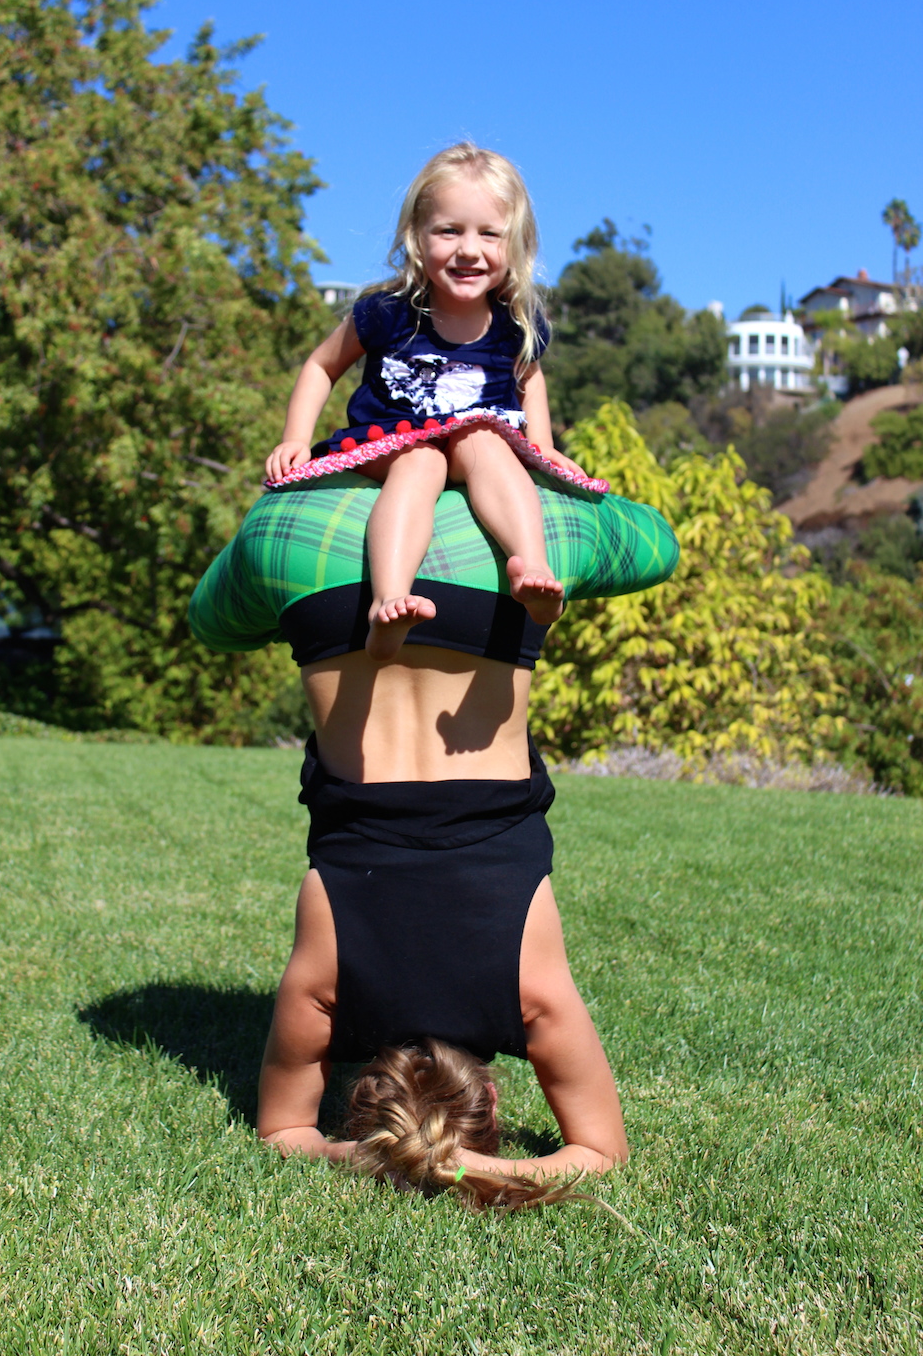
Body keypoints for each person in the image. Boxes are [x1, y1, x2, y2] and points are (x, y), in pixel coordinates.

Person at [190, 429, 679, 1209]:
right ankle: (440, 471)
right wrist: (394, 1156)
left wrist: (473, 1168)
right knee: (641, 540)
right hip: (313, 551)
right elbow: (287, 1133)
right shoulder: (327, 976)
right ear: (365, 1088)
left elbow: (600, 1152)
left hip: (495, 572)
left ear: (490, 1097)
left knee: (619, 541)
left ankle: (446, 469)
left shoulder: (528, 990)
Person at [264, 142, 596, 663]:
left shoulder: (515, 324)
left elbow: (530, 377)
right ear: (416, 237)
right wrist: (295, 437)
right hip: (392, 440)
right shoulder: (388, 312)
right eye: (449, 231)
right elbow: (320, 366)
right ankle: (389, 601)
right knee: (423, 460)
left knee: (482, 439)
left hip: (474, 440)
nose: (470, 250)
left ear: (517, 245)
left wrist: (544, 444)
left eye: (490, 233)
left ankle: (531, 571)